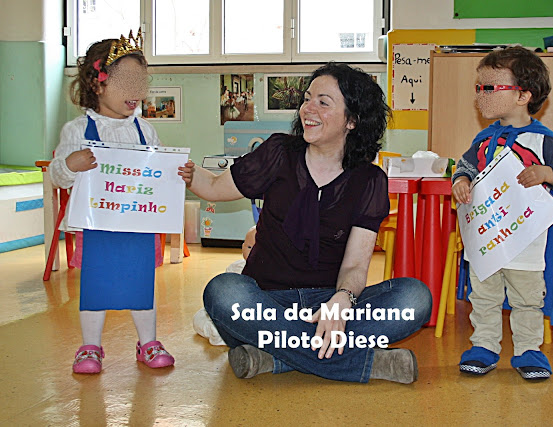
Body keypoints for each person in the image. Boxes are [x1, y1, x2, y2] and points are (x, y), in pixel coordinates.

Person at [179, 62, 431, 384]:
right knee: (223, 292)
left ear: (352, 120)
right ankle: (365, 364)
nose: (307, 109)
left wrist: (341, 301)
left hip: (328, 305)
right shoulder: (278, 152)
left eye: (323, 102)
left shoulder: (370, 180)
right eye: (307, 98)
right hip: (266, 304)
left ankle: (275, 356)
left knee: (414, 298)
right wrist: (184, 172)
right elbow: (214, 187)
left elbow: (355, 265)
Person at [451, 46, 553, 380]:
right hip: (486, 239)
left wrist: (547, 173)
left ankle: (528, 350)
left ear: (523, 95)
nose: (480, 95)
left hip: (526, 242)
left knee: (527, 299)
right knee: (484, 297)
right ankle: (483, 346)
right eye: (478, 88)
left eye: (489, 88)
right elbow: (464, 167)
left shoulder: (543, 141)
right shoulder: (484, 139)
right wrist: (461, 181)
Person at [49, 31, 175, 374]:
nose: (136, 91)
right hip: (95, 226)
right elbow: (58, 176)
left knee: (141, 283)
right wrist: (69, 165)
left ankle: (148, 342)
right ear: (98, 83)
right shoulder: (76, 130)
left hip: (138, 224)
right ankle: (90, 346)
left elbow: (157, 174)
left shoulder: (145, 130)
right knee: (95, 285)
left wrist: (176, 173)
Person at [192, 226, 257, 345]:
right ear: (242, 247)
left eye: (258, 249)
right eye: (249, 247)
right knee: (200, 316)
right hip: (230, 310)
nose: (252, 252)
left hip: (249, 314)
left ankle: (229, 335)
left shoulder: (270, 271)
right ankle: (217, 332)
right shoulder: (235, 267)